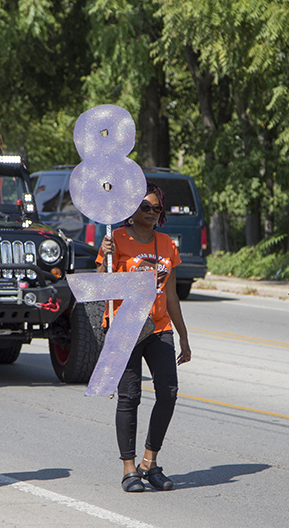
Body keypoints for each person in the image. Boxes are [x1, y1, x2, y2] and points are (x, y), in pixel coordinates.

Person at [95, 181, 192, 492]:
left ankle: (149, 463)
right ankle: (128, 469)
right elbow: (101, 286)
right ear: (131, 210)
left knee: (168, 392)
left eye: (156, 208)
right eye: (145, 207)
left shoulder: (167, 245)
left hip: (159, 327)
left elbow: (173, 295)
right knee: (130, 396)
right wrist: (105, 259)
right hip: (125, 327)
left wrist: (184, 336)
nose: (151, 212)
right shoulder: (115, 240)